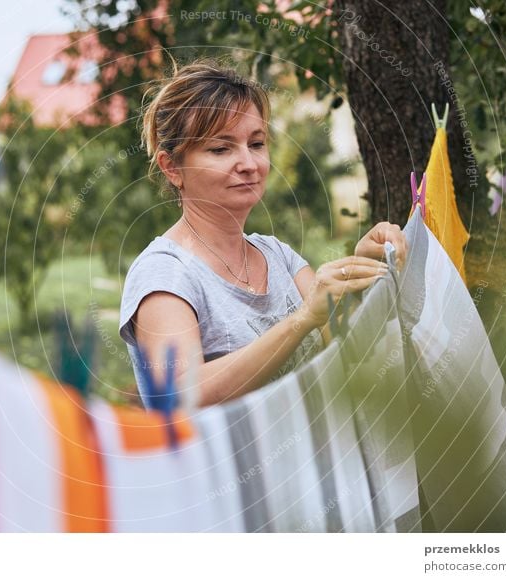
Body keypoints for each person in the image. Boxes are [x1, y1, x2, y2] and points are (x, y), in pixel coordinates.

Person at [119, 60, 406, 407]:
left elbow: (348, 350)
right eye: (220, 149)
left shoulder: (277, 255)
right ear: (172, 167)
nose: (249, 164)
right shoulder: (164, 272)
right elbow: (179, 396)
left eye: (256, 144)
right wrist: (301, 320)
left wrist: (365, 271)